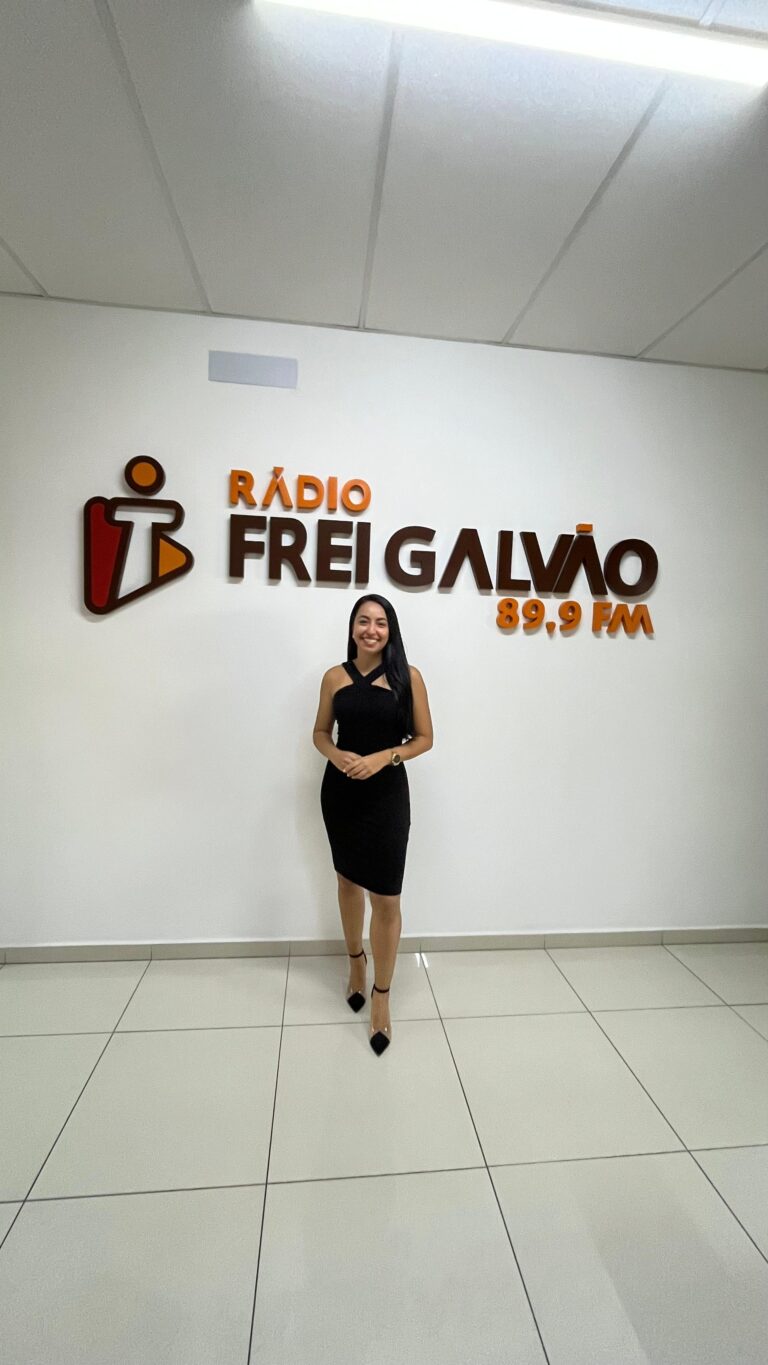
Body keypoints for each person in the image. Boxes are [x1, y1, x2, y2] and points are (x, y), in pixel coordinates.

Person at [313, 595, 433, 1055]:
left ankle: (382, 995)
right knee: (347, 882)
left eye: (380, 622)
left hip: (387, 798)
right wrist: (334, 754)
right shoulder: (334, 677)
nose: (371, 629)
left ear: (390, 630)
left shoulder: (408, 677)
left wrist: (385, 757)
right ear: (352, 628)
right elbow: (320, 733)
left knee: (386, 897)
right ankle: (356, 963)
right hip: (340, 793)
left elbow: (425, 738)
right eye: (363, 621)